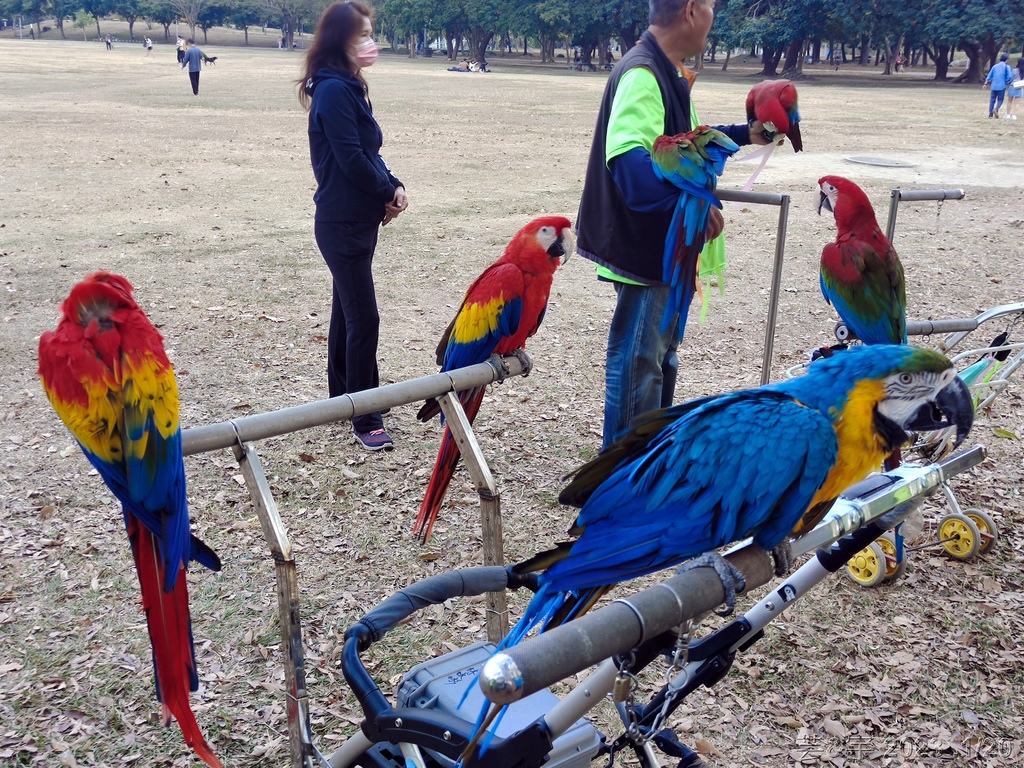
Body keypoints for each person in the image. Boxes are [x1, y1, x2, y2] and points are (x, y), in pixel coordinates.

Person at [575, 0, 770, 450]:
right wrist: (693, 210)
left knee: (660, 360)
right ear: (690, 10)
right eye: (712, 7)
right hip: (647, 250)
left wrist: (744, 134)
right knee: (640, 364)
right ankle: (621, 483)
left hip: (666, 252)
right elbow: (630, 168)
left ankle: (649, 467)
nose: (713, 18)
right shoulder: (643, 73)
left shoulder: (669, 72)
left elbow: (686, 144)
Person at [297, 0, 408, 451]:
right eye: (362, 35)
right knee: (365, 317)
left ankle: (340, 397)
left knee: (346, 312)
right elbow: (351, 161)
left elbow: (370, 152)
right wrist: (385, 191)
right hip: (341, 223)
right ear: (341, 40)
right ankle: (366, 416)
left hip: (360, 221)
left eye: (370, 33)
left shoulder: (348, 86)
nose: (370, 43)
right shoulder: (332, 91)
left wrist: (394, 184)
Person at [984, 52, 1013, 118]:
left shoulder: (995, 66)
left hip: (994, 86)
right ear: (1006, 60)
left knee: (992, 100)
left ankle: (990, 114)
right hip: (1002, 86)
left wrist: (985, 83)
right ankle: (996, 109)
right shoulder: (1007, 67)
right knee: (1000, 100)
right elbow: (1009, 76)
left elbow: (989, 76)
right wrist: (1005, 81)